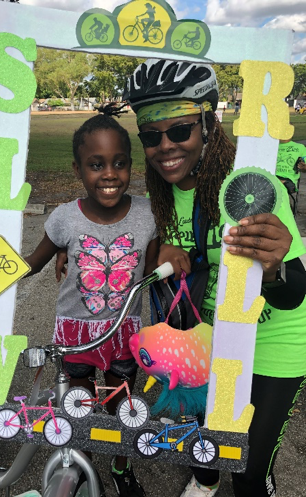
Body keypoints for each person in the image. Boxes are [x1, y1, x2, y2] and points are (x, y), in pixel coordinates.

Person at [0, 105, 185, 497]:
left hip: (124, 331)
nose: (109, 174)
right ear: (77, 170)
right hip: (74, 333)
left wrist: (169, 253)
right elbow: (30, 264)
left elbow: (153, 265)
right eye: (96, 164)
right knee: (78, 404)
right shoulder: (64, 219)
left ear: (131, 166)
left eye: (119, 163)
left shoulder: (146, 214)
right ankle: (81, 459)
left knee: (122, 405)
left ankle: (121, 467)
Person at [123, 59, 306, 497]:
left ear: (208, 123)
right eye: (151, 136)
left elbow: (294, 295)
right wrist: (155, 255)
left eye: (180, 131)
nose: (165, 146)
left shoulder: (250, 186)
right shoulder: (159, 195)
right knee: (203, 439)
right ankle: (203, 482)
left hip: (273, 344)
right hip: (207, 339)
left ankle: (254, 477)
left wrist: (276, 266)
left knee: (245, 472)